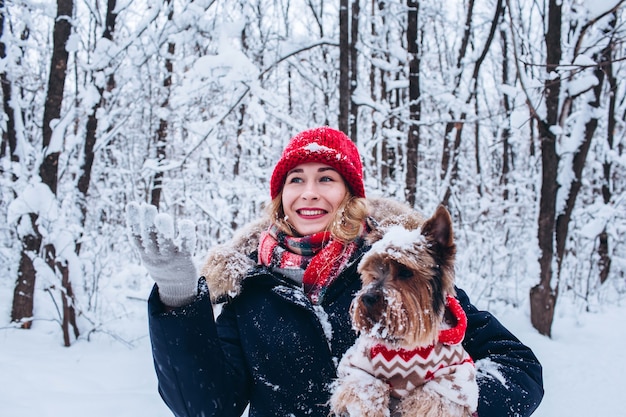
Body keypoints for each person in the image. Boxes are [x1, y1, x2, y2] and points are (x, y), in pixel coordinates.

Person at [127, 126, 544, 417]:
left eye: (326, 178)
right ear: (280, 197)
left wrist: (447, 402)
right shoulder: (250, 291)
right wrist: (179, 298)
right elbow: (207, 408)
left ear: (350, 196)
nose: (309, 192)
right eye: (296, 180)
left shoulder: (400, 273)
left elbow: (518, 367)